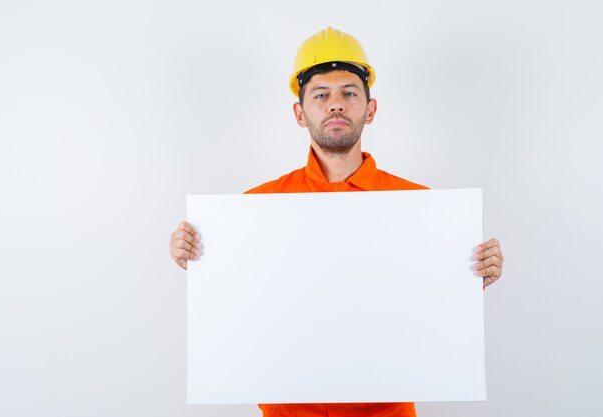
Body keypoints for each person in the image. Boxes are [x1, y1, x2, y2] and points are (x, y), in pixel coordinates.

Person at [169, 27, 504, 417]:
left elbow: (424, 313)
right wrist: (198, 257)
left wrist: (466, 279)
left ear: (370, 108)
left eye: (349, 92)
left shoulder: (422, 209)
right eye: (321, 95)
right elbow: (239, 309)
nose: (336, 105)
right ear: (300, 113)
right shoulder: (254, 210)